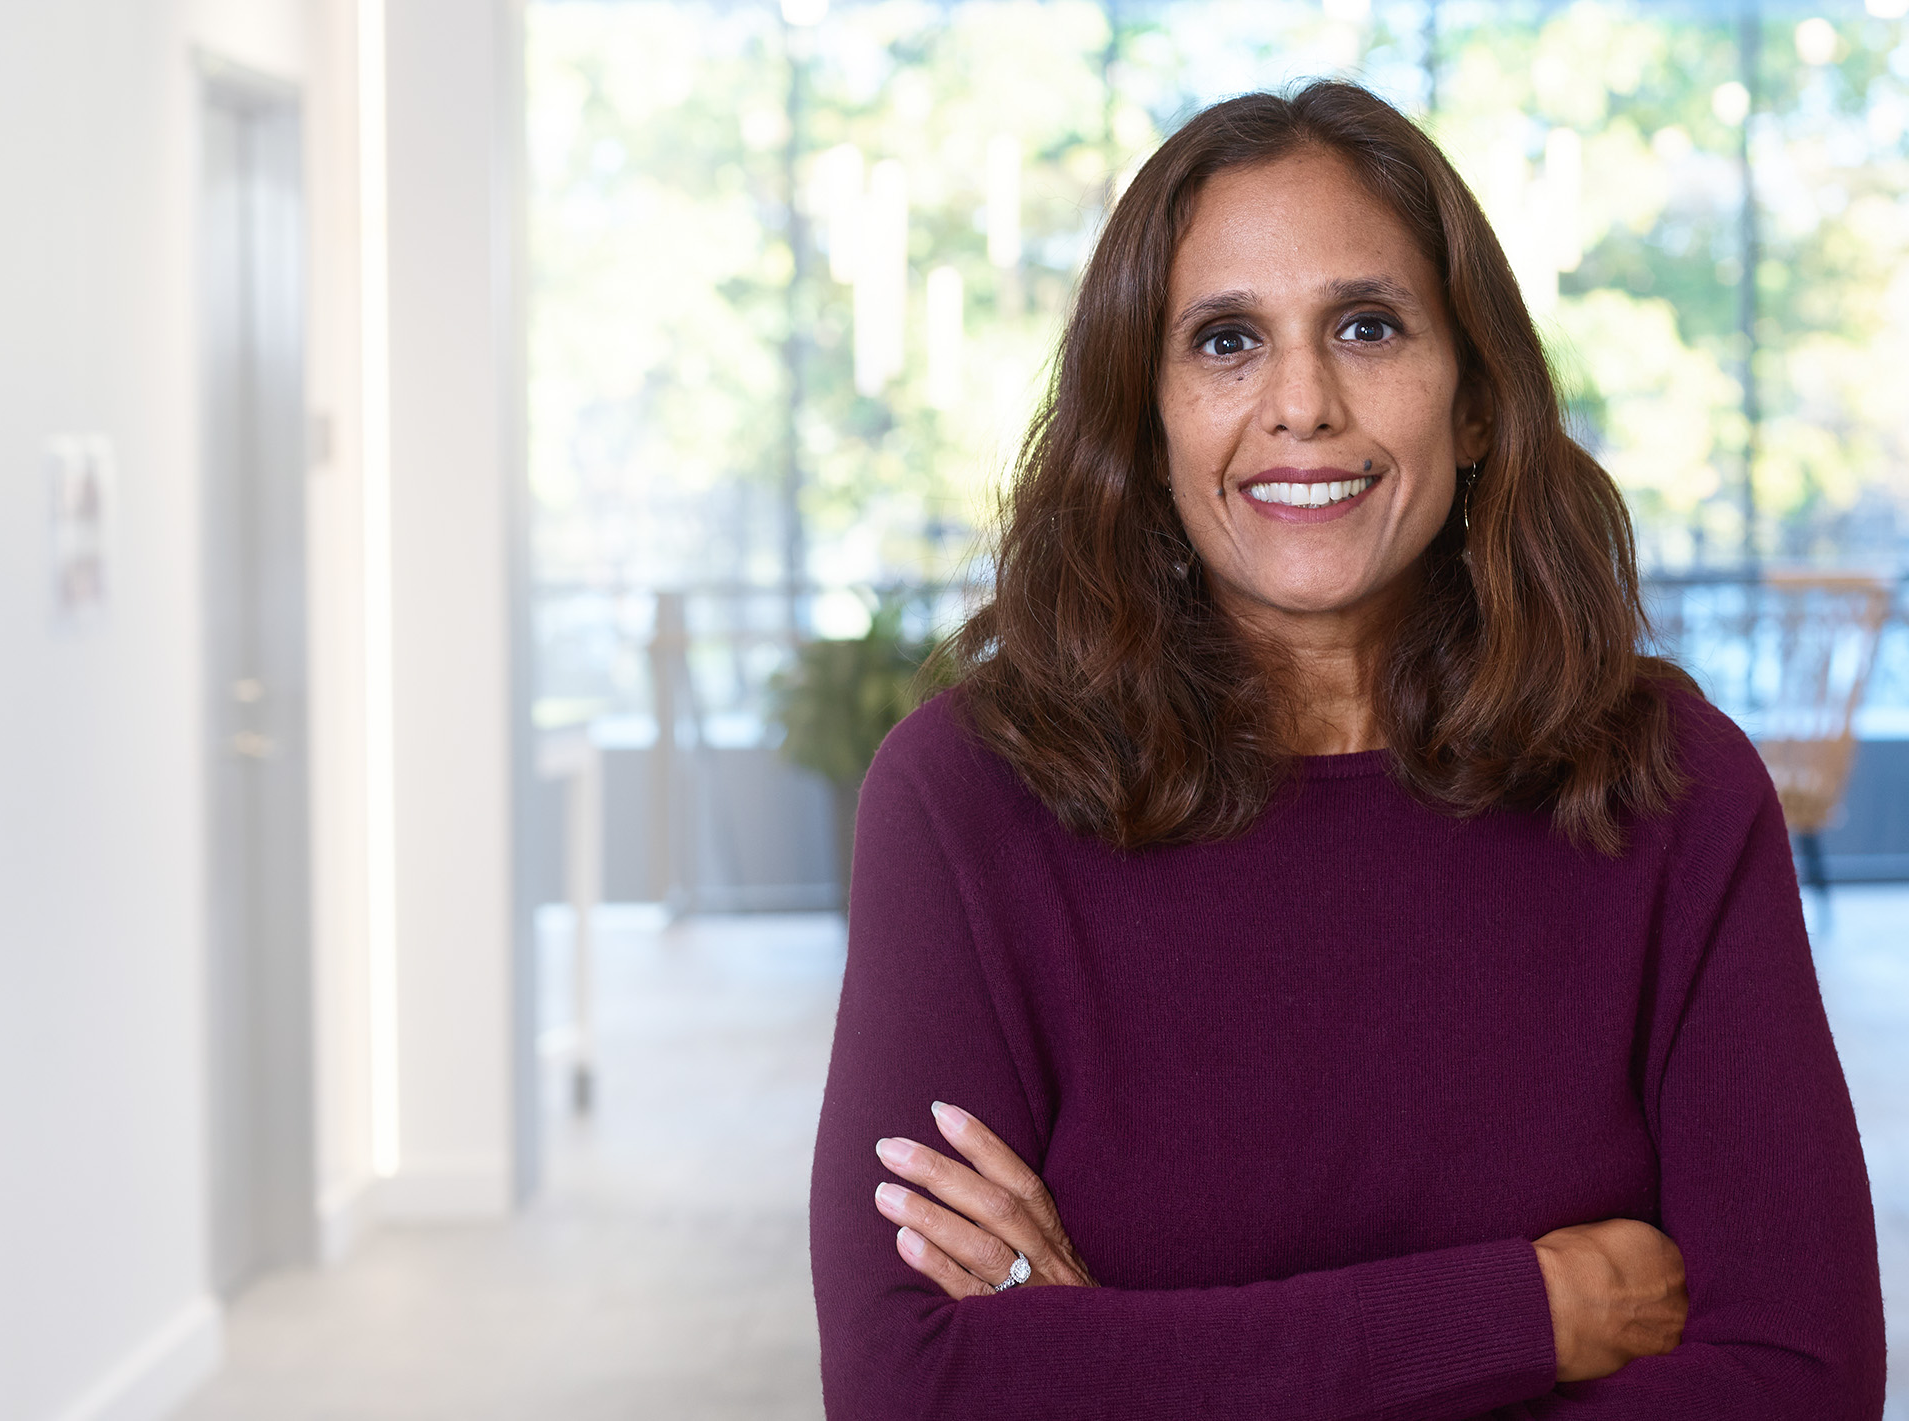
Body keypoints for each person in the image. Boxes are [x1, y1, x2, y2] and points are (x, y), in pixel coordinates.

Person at [807, 81, 1885, 1418]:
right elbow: (914, 1386)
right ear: (1145, 429)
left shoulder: (1668, 783)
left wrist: (1121, 1358)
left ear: (1478, 400)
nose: (1302, 402)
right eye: (1223, 342)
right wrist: (1522, 1314)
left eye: (1367, 326)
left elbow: (1800, 1373)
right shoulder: (965, 799)